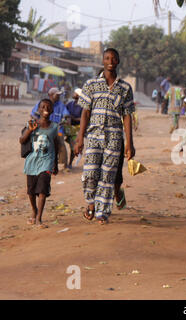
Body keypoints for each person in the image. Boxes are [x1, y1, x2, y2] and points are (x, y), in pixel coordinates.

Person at [74, 48, 135, 225]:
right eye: (107, 58)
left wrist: (129, 144)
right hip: (94, 136)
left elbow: (127, 116)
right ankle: (91, 203)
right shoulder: (91, 84)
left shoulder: (125, 88)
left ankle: (102, 212)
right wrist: (80, 138)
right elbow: (85, 113)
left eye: (114, 58)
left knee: (108, 176)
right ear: (103, 61)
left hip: (115, 138)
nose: (110, 61)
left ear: (118, 62)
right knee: (90, 172)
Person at [20, 99, 59, 228]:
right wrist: (30, 130)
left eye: (48, 107)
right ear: (39, 109)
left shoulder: (54, 127)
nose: (46, 109)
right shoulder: (31, 123)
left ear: (52, 109)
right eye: (43, 107)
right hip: (32, 161)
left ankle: (39, 218)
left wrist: (56, 164)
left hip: (47, 161)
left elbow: (56, 145)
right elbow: (21, 140)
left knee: (42, 189)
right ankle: (34, 210)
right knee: (31, 192)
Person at [31, 87, 70, 171]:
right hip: (43, 128)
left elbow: (66, 114)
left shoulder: (61, 105)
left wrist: (65, 119)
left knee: (60, 142)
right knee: (37, 142)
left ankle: (64, 165)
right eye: (57, 95)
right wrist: (37, 121)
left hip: (58, 129)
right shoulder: (41, 103)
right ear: (50, 95)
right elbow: (33, 115)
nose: (59, 96)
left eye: (59, 95)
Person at [64, 88, 83, 169]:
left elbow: (83, 118)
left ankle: (70, 163)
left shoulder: (82, 106)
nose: (73, 94)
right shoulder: (70, 104)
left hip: (76, 128)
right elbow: (65, 112)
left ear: (78, 95)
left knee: (73, 146)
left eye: (75, 93)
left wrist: (73, 118)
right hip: (68, 127)